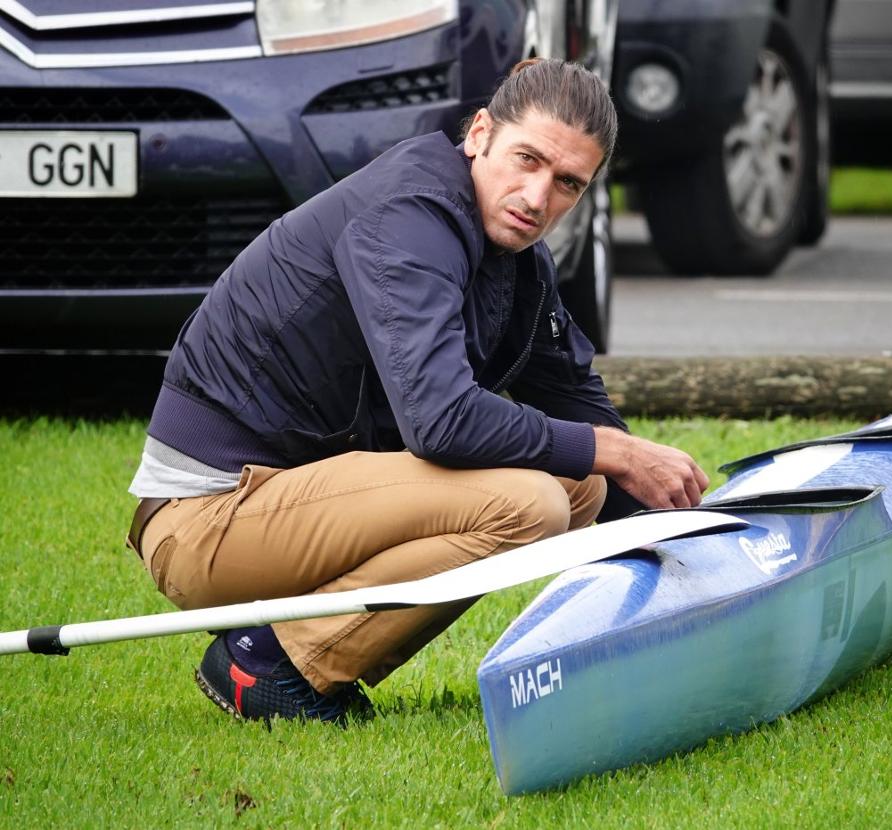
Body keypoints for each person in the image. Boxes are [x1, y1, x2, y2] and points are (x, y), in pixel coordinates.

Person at [125, 58, 709, 725]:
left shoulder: (515, 258)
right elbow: (442, 422)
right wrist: (617, 451)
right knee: (533, 503)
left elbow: (575, 399)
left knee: (585, 487)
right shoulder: (408, 218)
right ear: (480, 133)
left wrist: (692, 535)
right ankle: (273, 663)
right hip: (209, 519)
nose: (537, 197)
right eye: (526, 159)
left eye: (567, 183)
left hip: (302, 492)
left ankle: (296, 653)